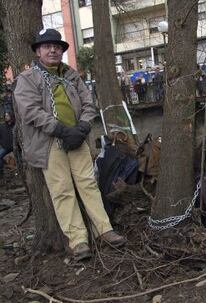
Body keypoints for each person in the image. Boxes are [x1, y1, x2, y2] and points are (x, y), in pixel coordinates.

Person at [13, 29, 126, 261]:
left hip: (77, 137)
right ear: (38, 51)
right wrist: (61, 130)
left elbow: (88, 103)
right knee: (62, 190)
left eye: (57, 46)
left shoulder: (71, 75)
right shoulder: (27, 79)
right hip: (49, 142)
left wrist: (82, 128)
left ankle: (104, 230)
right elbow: (30, 110)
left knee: (88, 184)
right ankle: (78, 241)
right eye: (47, 46)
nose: (53, 50)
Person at [0, 112, 14, 185]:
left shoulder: (15, 125)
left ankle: (23, 170)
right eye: (5, 116)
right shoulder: (2, 126)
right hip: (6, 147)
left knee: (24, 157)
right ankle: (1, 172)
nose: (6, 117)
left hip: (16, 147)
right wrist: (2, 143)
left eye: (8, 115)